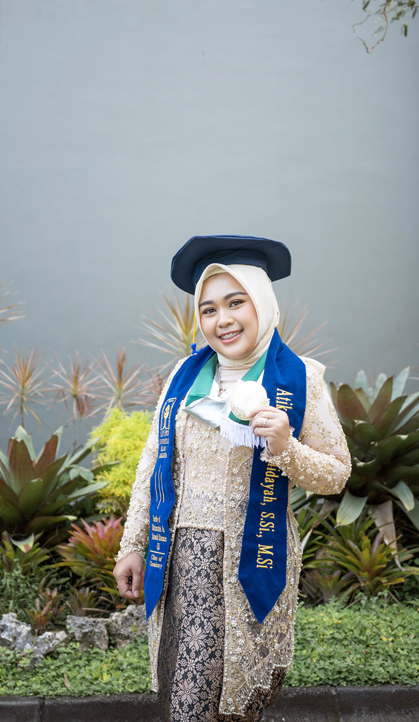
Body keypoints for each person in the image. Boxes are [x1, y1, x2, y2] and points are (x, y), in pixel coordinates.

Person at [114, 235, 351, 722]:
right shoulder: (184, 377)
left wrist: (286, 446)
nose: (222, 320)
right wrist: (132, 544)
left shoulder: (299, 379)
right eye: (209, 309)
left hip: (252, 559)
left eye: (235, 302)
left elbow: (336, 474)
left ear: (261, 301)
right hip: (179, 560)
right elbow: (153, 464)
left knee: (235, 704)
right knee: (186, 699)